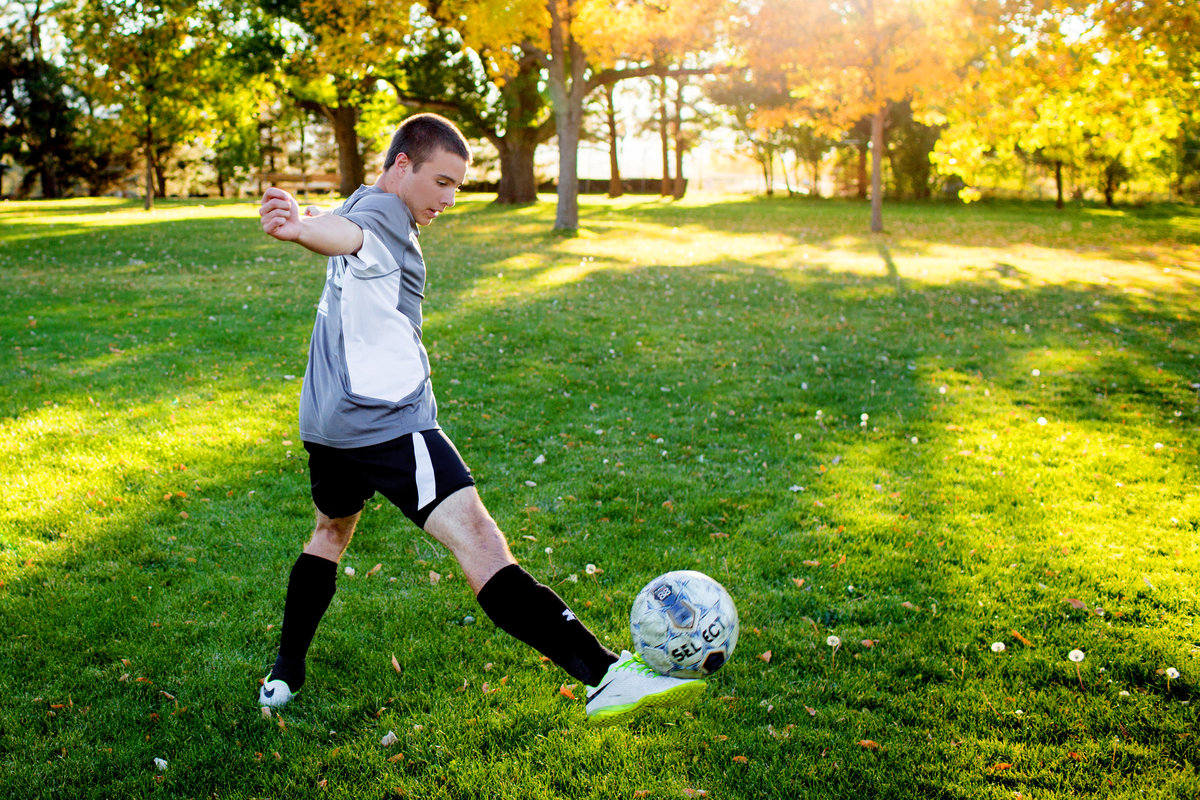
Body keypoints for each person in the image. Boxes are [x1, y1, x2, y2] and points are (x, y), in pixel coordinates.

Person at [256, 113, 704, 725]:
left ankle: (285, 670)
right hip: (390, 425)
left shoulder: (367, 199)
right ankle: (602, 673)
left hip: (328, 426)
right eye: (441, 183)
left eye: (457, 188)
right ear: (403, 165)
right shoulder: (384, 218)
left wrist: (307, 222)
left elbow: (342, 224)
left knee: (331, 532)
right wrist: (303, 230)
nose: (449, 200)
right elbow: (348, 235)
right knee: (483, 545)